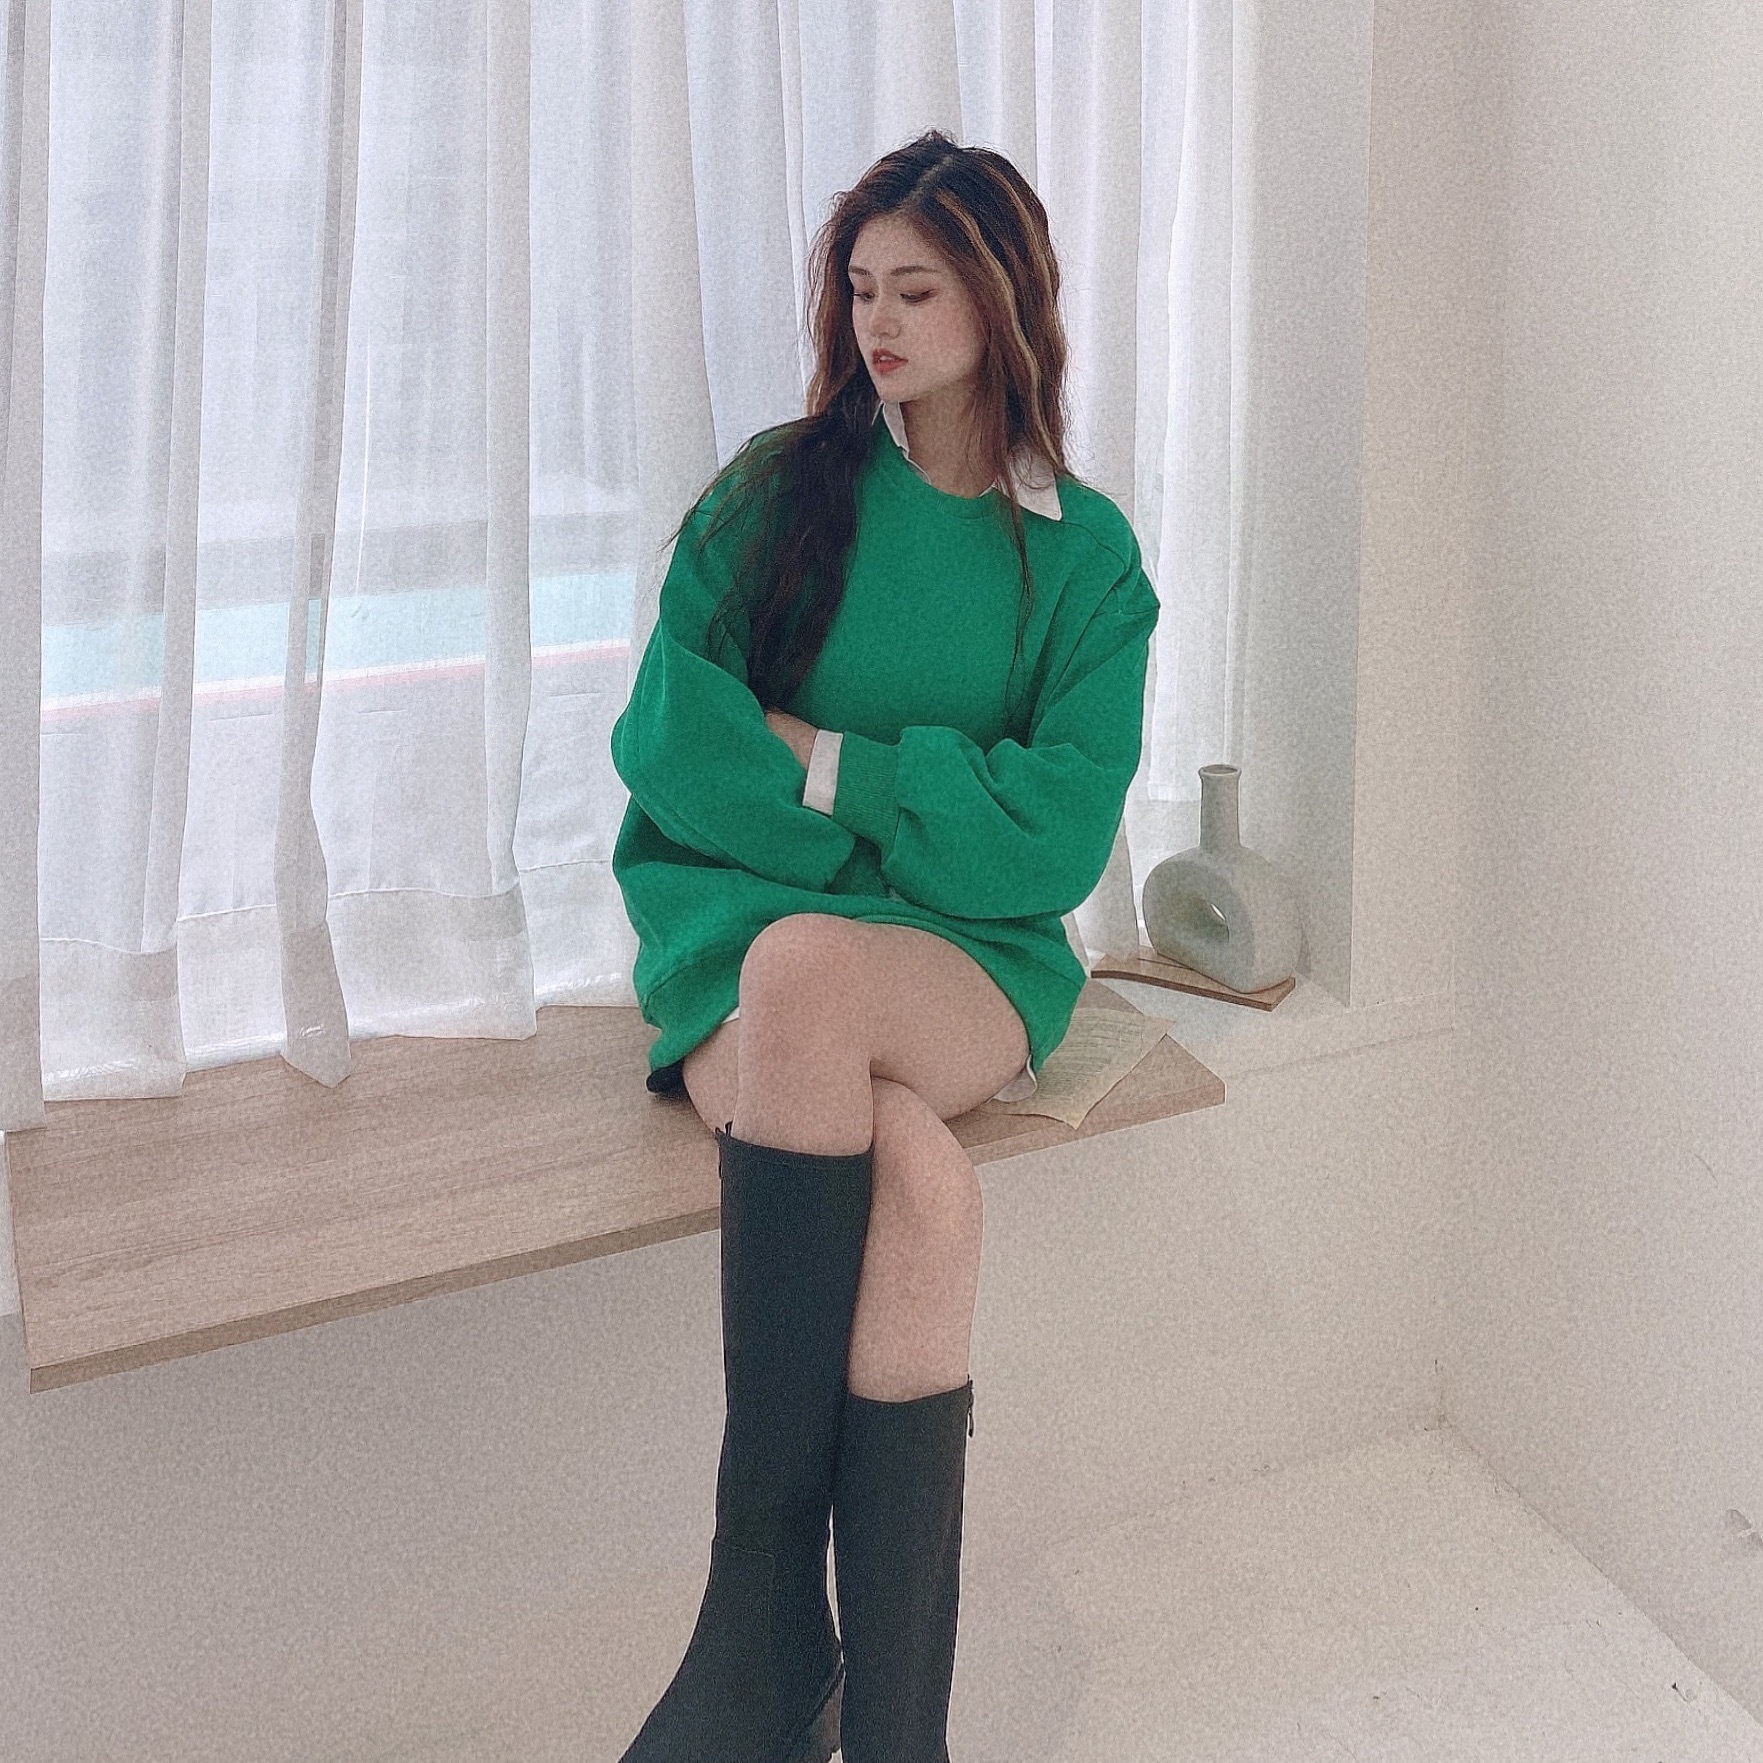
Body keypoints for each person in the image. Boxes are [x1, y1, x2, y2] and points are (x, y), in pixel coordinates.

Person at [609, 127, 1160, 1763]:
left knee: (818, 966)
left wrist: (832, 770)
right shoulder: (779, 490)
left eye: (916, 289)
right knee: (920, 1182)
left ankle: (763, 1642)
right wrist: (919, 817)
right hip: (737, 928)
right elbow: (669, 741)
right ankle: (885, 1721)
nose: (879, 322)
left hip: (960, 962)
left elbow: (1057, 838)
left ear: (1002, 301)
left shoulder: (1085, 558)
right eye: (860, 289)